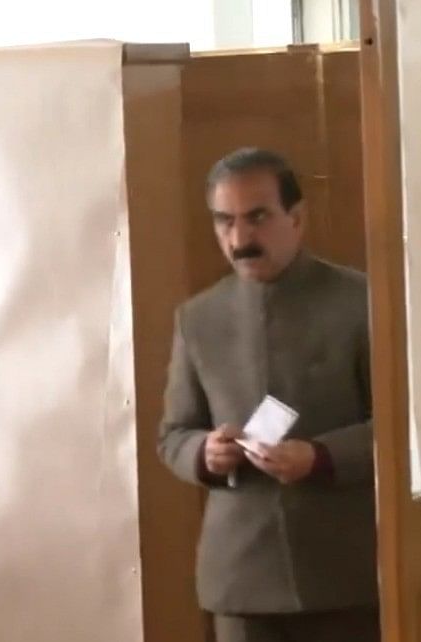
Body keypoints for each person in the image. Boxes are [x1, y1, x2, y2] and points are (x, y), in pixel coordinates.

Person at [156, 147, 379, 642]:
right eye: (225, 222)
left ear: (296, 218)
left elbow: (403, 428)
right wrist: (205, 453)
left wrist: (320, 457)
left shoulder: (361, 302)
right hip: (240, 580)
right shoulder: (197, 318)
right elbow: (173, 435)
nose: (240, 239)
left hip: (345, 572)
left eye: (257, 218)